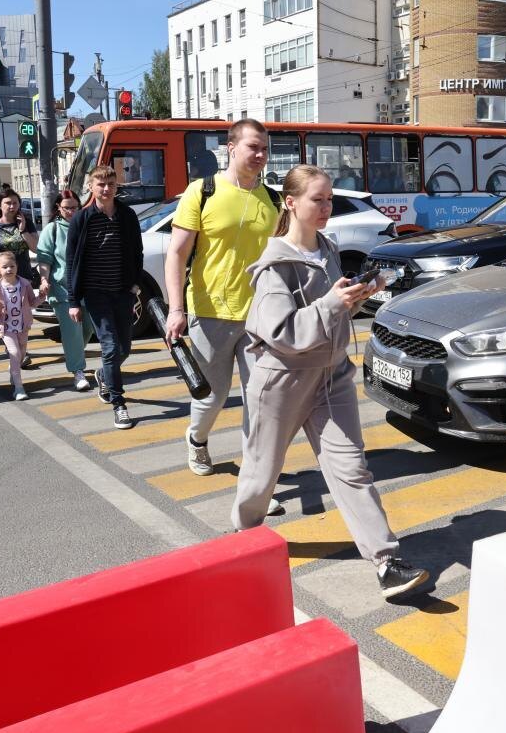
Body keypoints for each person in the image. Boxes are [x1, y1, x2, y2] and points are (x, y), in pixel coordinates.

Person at [231, 165, 429, 601]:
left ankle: (386, 561)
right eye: (317, 200)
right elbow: (283, 332)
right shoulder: (273, 267)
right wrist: (331, 304)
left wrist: (367, 290)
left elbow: (332, 310)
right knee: (262, 473)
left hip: (331, 376)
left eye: (328, 201)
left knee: (351, 469)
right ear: (291, 203)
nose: (325, 209)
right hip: (281, 381)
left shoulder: (328, 247)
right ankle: (243, 536)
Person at [166, 118, 278, 476]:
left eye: (264, 148)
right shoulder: (203, 191)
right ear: (231, 148)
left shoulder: (272, 200)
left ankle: (255, 480)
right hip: (209, 312)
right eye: (253, 147)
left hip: (259, 318)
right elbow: (177, 254)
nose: (260, 154)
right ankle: (197, 440)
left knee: (259, 401)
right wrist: (175, 309)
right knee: (211, 397)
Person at [66, 165, 143, 430]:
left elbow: (137, 252)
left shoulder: (127, 215)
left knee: (124, 349)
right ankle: (119, 404)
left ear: (116, 186)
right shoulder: (82, 219)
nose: (106, 189)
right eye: (100, 184)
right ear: (91, 187)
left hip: (122, 292)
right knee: (110, 347)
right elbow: (71, 261)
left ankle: (103, 375)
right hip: (96, 294)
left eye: (110, 184)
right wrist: (73, 300)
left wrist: (134, 284)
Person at [37, 190, 93, 392]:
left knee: (88, 329)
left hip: (87, 288)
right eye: (66, 208)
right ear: (58, 209)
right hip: (62, 290)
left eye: (74, 207)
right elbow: (45, 260)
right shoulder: (52, 229)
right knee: (72, 331)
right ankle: (78, 371)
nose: (70, 211)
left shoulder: (86, 226)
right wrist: (44, 280)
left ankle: (73, 354)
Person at [0, 189, 39, 368]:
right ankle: (12, 347)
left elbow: (35, 248)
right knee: (4, 313)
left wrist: (23, 230)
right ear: (0, 205)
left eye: (15, 203)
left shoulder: (26, 223)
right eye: (8, 203)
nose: (12, 206)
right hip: (0, 278)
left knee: (22, 313)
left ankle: (20, 349)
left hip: (22, 277)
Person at [0, 251, 40, 401]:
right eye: (5, 267)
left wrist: (42, 296)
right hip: (6, 327)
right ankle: (18, 388)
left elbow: (32, 302)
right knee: (15, 353)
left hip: (23, 326)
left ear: (17, 266)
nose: (9, 269)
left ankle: (13, 369)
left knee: (21, 353)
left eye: (12, 266)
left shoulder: (24, 284)